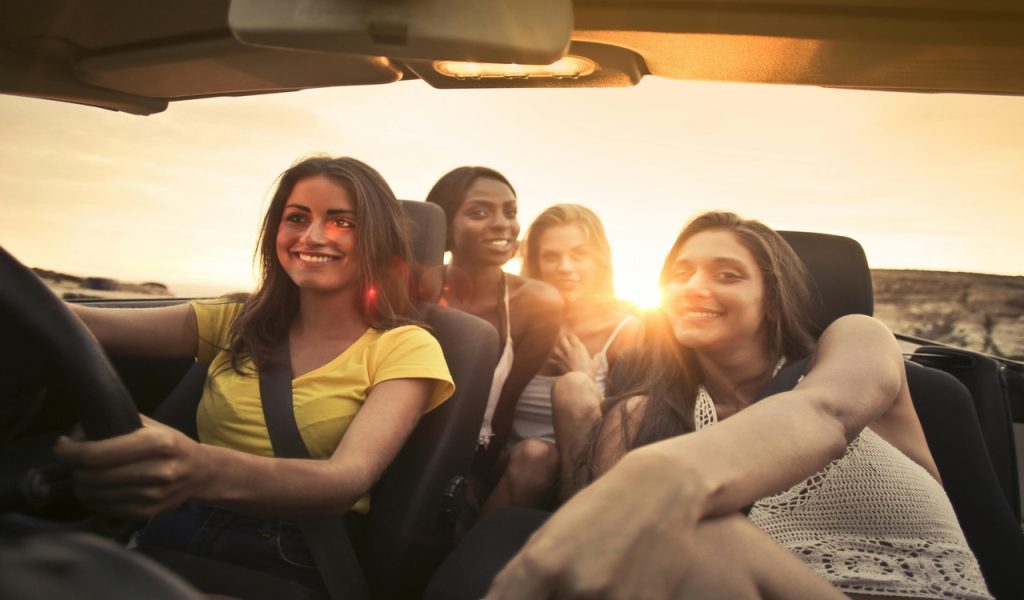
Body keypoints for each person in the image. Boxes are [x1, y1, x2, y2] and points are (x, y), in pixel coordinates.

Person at [447, 211, 992, 599]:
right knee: (679, 535)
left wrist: (662, 476)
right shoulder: (643, 415)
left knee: (688, 526)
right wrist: (585, 416)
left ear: (772, 296)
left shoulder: (856, 341)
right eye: (680, 274)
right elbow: (613, 551)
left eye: (727, 275)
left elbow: (825, 413)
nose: (694, 287)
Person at [55, 156, 455, 598]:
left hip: (292, 552)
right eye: (297, 218)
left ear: (377, 238)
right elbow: (69, 323)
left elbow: (345, 481)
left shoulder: (405, 346)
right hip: (171, 526)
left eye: (342, 221)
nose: (313, 236)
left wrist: (198, 466)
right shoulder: (235, 321)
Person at [422, 166, 562, 509]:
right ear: (444, 227)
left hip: (474, 452)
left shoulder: (537, 303)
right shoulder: (412, 289)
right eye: (480, 212)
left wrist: (473, 480)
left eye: (510, 212)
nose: (503, 224)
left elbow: (503, 405)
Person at [484, 204, 640, 511]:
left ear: (599, 260)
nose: (565, 267)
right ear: (536, 264)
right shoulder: (516, 325)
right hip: (512, 470)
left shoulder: (626, 331)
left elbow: (630, 430)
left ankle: (578, 529)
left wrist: (585, 377)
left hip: (584, 479)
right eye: (551, 256)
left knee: (575, 387)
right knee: (536, 456)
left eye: (578, 254)